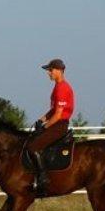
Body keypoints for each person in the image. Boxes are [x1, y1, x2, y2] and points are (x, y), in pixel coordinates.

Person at [28, 58, 75, 194]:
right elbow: (52, 111)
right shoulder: (58, 86)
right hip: (56, 123)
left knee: (33, 147)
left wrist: (46, 126)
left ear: (59, 71)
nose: (48, 73)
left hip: (59, 126)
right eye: (48, 70)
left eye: (50, 70)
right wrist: (40, 120)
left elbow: (58, 114)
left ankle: (43, 178)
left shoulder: (62, 87)